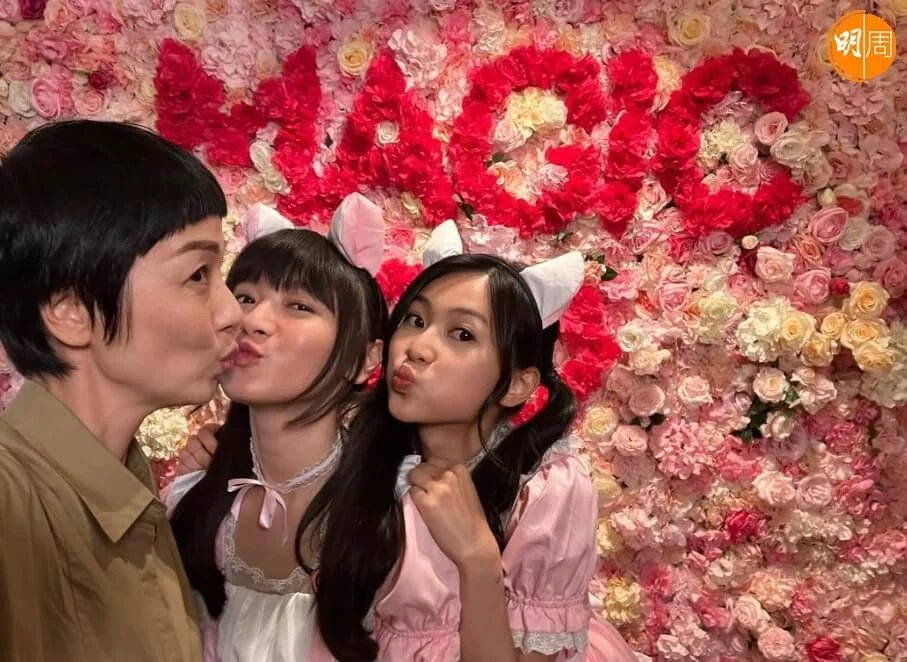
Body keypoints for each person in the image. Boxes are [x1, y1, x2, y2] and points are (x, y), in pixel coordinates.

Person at [306, 221, 637, 661]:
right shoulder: (354, 450)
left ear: (516, 384)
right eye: (415, 320)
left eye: (462, 334)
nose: (417, 347)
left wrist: (478, 558)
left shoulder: (546, 489)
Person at [0, 120, 242, 662]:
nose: (231, 313)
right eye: (197, 275)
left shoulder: (131, 488)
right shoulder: (12, 504)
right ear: (70, 311)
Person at [167, 194, 388, 662]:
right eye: (245, 297)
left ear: (364, 358)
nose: (252, 320)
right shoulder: (194, 496)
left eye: (299, 306)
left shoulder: (394, 513)